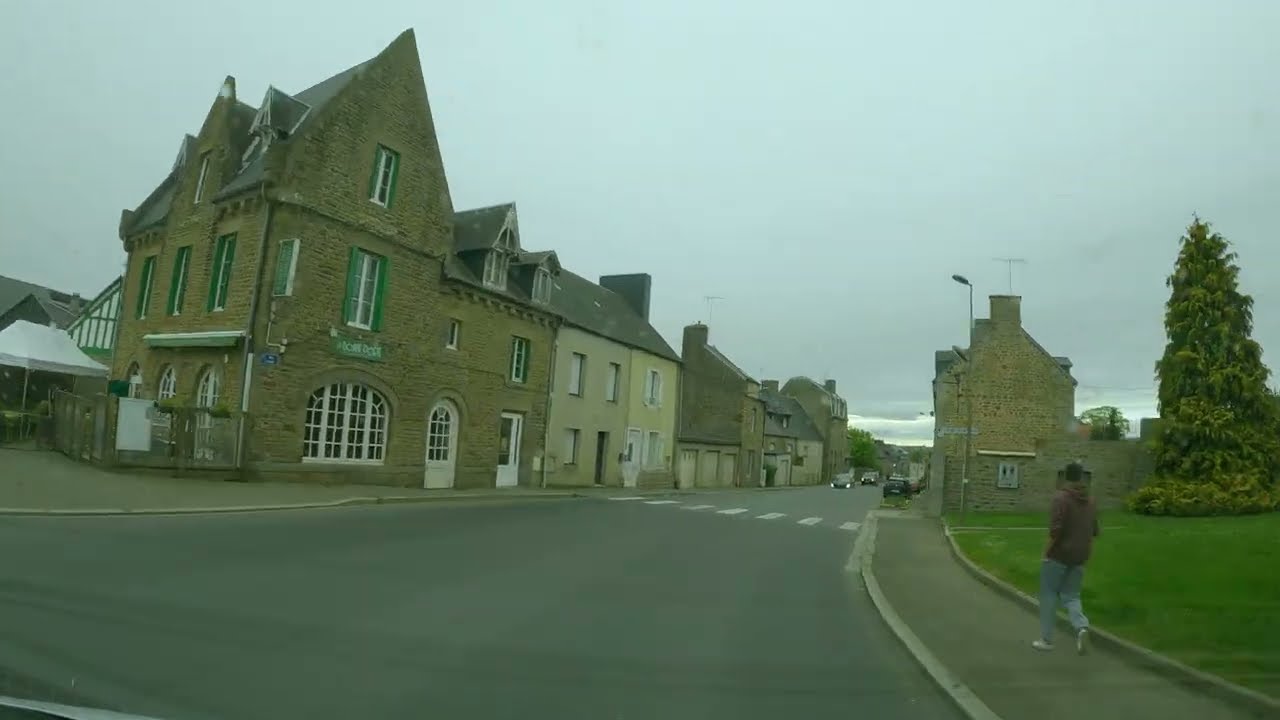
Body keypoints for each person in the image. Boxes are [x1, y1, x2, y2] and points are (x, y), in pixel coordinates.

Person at [1033, 461, 1100, 654]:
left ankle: (1046, 640)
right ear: (1081, 477)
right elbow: (1094, 530)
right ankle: (1081, 627)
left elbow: (1056, 530)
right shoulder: (1090, 500)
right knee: (1072, 595)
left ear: (1065, 477)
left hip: (1059, 555)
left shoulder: (1060, 498)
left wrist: (1046, 552)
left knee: (1048, 595)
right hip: (1080, 555)